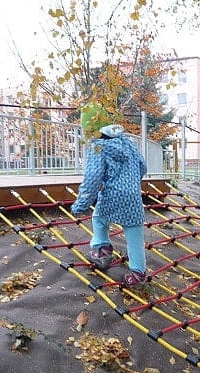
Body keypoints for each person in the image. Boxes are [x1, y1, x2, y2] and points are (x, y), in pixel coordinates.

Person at [71, 104, 148, 287]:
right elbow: (142, 166)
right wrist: (131, 182)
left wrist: (81, 204)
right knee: (135, 236)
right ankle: (138, 274)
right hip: (133, 197)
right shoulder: (128, 143)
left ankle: (102, 250)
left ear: (91, 130)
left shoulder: (98, 147)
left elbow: (92, 178)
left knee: (99, 218)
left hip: (112, 194)